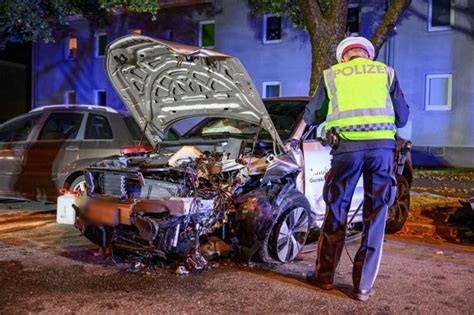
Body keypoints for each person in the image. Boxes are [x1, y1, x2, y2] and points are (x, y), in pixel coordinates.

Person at [304, 36, 409, 301]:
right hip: (382, 152)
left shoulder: (333, 75)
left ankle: (325, 277)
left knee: (336, 210)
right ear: (368, 55)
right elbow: (403, 116)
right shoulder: (385, 72)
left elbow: (311, 116)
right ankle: (362, 287)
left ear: (343, 57)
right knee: (375, 216)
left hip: (346, 151)